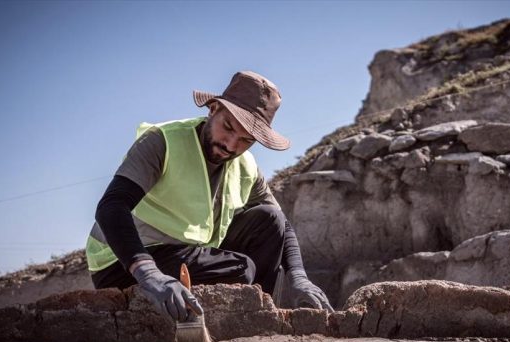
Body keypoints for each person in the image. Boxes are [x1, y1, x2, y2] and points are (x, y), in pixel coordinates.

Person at [85, 71, 333, 322]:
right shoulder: (163, 141)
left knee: (270, 219)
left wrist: (299, 277)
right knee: (241, 270)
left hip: (187, 255)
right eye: (228, 127)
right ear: (213, 108)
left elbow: (282, 225)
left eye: (246, 140)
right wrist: (148, 273)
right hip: (124, 263)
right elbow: (111, 207)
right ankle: (233, 317)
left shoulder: (245, 165)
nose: (232, 145)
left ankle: (258, 320)